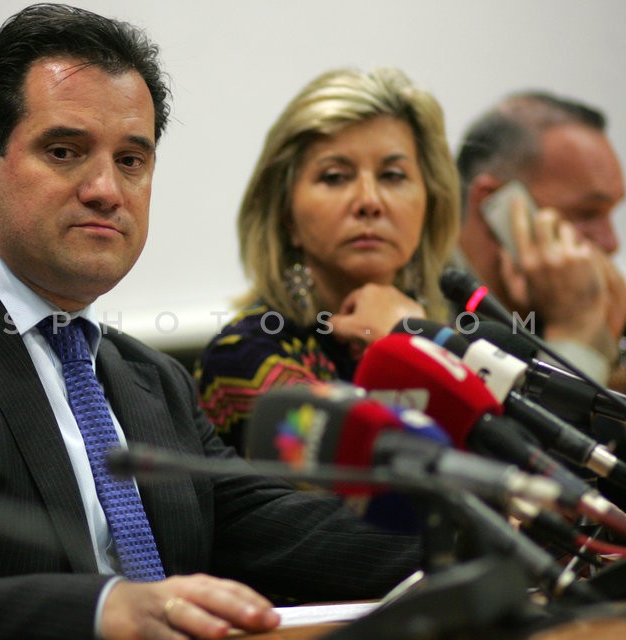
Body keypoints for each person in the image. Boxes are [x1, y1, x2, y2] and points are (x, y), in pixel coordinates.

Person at [0, 5, 421, 640]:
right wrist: (104, 611)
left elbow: (291, 531)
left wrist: (466, 534)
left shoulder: (154, 382)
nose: (106, 189)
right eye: (65, 151)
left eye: (131, 161)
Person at [196, 67, 460, 455]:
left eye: (392, 175)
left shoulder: (453, 328)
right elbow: (384, 478)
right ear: (287, 215)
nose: (369, 201)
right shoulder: (244, 354)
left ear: (431, 203)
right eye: (335, 177)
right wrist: (408, 347)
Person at [454, 90, 626, 506]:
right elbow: (532, 506)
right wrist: (573, 336)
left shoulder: (555, 299)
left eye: (611, 213)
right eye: (588, 213)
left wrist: (612, 364)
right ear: (493, 204)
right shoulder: (428, 313)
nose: (611, 242)